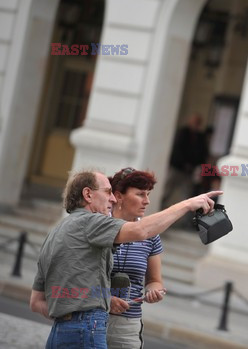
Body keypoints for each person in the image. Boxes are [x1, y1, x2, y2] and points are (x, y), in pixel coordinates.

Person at [30, 169, 221, 348]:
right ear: (88, 195)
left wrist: (69, 314)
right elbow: (141, 230)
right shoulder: (92, 223)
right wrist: (187, 204)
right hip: (88, 325)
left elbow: (36, 301)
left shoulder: (56, 230)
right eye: (107, 192)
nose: (112, 198)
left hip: (62, 329)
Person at [106, 167, 165, 348]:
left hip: (127, 327)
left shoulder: (151, 234)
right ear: (119, 196)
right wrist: (105, 299)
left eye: (148, 194)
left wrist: (154, 291)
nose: (146, 201)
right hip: (91, 318)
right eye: (140, 194)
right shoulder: (98, 226)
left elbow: (155, 280)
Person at [162, 113, 209, 209]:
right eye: (194, 122)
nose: (196, 125)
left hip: (189, 171)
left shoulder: (200, 137)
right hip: (177, 167)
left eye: (198, 123)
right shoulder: (182, 133)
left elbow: (203, 153)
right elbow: (177, 149)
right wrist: (183, 163)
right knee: (166, 190)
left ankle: (185, 218)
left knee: (187, 195)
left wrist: (199, 166)